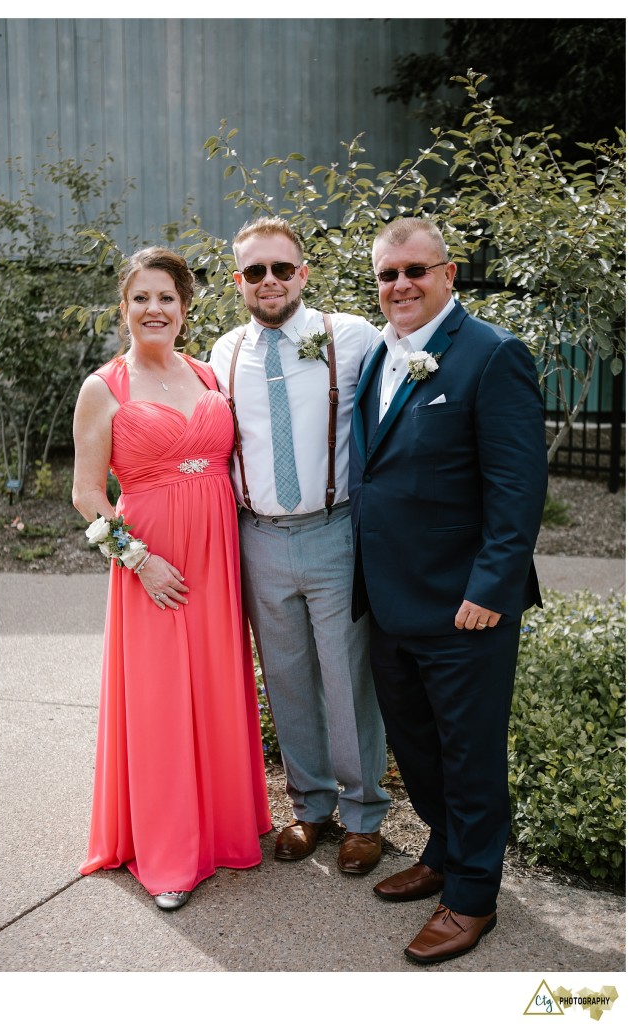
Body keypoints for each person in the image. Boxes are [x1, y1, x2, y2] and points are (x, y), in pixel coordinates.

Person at [349, 218, 548, 963]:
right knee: (416, 743)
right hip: (391, 598)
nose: (399, 285)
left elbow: (518, 488)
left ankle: (471, 896)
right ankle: (441, 848)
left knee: (468, 753)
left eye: (414, 271)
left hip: (466, 603)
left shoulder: (492, 355)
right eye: (386, 275)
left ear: (449, 274)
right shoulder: (380, 355)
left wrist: (491, 587)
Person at [73, 246, 271, 910]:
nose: (153, 309)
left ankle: (220, 828)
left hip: (217, 559)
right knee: (159, 702)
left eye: (166, 298)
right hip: (152, 567)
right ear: (123, 307)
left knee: (214, 686)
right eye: (141, 298)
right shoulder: (105, 387)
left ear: (185, 309)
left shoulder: (211, 376)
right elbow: (86, 495)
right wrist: (139, 560)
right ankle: (168, 852)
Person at [210, 216, 390, 875]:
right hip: (258, 537)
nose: (269, 281)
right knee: (284, 678)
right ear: (239, 281)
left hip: (335, 531)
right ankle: (310, 807)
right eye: (255, 271)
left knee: (347, 679)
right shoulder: (224, 355)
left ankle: (365, 814)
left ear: (303, 274)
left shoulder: (351, 338)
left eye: (281, 268)